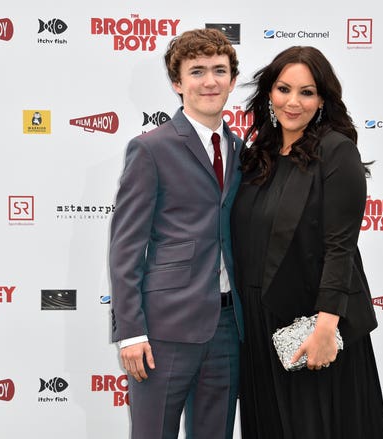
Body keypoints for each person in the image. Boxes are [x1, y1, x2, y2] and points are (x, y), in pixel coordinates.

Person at [231, 46, 383, 439]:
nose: (293, 102)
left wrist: (325, 327)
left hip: (311, 320)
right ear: (269, 92)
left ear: (322, 100)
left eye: (307, 92)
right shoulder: (258, 154)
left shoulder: (336, 151)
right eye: (284, 89)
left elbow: (342, 248)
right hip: (258, 320)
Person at [109, 28, 244, 439]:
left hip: (227, 328)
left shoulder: (241, 150)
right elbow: (126, 246)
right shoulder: (151, 149)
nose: (209, 81)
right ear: (177, 82)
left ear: (232, 81)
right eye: (197, 71)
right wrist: (130, 331)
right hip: (163, 329)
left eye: (219, 71)